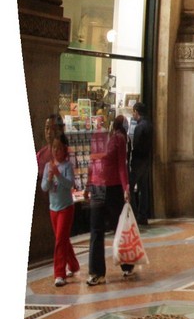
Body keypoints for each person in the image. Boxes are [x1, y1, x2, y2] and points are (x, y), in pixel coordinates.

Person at [86, 112, 129, 285]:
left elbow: (121, 165)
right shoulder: (96, 137)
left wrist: (126, 187)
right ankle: (96, 272)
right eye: (98, 121)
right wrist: (89, 184)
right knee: (96, 230)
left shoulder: (119, 139)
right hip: (97, 187)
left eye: (103, 121)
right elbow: (92, 163)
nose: (101, 124)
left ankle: (127, 263)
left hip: (113, 188)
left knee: (118, 226)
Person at [38, 119, 80, 286]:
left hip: (66, 207)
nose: (56, 151)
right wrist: (49, 178)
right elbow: (44, 187)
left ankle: (59, 273)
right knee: (62, 239)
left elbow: (69, 184)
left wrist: (58, 175)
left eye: (59, 148)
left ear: (65, 150)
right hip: (53, 208)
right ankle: (74, 264)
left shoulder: (67, 166)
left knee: (59, 241)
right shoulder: (49, 166)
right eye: (54, 148)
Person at [127, 99, 154, 228]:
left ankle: (134, 213)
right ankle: (143, 214)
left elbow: (136, 145)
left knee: (130, 186)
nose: (133, 115)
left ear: (136, 112)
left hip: (138, 160)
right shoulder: (149, 125)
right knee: (144, 187)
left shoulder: (139, 126)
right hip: (146, 159)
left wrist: (132, 159)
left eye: (133, 112)